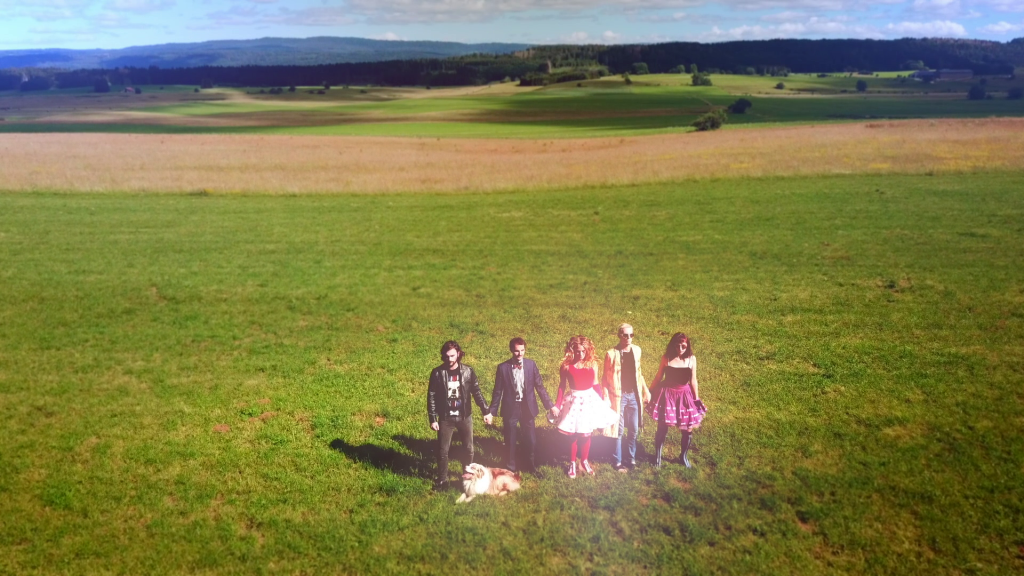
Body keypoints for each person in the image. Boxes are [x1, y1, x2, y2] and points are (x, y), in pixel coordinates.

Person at [484, 337, 556, 473]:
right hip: (511, 408)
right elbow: (497, 392)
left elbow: (540, 387)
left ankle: (530, 466)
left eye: (522, 350)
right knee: (510, 440)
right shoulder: (503, 368)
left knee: (531, 440)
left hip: (527, 407)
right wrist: (491, 412)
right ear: (511, 350)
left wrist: (550, 405)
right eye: (517, 351)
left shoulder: (531, 365)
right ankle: (510, 469)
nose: (520, 354)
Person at [552, 335, 619, 478]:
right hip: (574, 401)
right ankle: (572, 462)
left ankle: (584, 461)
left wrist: (601, 402)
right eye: (577, 351)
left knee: (587, 433)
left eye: (583, 351)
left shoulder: (592, 364)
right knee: (574, 434)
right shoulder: (566, 366)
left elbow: (595, 384)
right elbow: (562, 386)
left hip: (589, 400)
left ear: (587, 350)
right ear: (572, 350)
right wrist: (557, 404)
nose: (581, 354)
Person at [427, 340, 489, 490]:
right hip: (445, 418)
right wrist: (433, 418)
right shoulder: (437, 373)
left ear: (459, 354)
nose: (450, 359)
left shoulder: (468, 371)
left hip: (464, 417)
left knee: (469, 449)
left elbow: (476, 392)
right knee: (443, 451)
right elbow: (431, 396)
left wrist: (486, 411)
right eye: (447, 356)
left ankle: (466, 479)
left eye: (453, 356)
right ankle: (442, 480)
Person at [646, 332, 707, 468]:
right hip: (666, 395)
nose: (680, 349)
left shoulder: (691, 359)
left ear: (687, 346)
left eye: (683, 346)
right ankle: (658, 456)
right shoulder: (666, 358)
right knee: (662, 426)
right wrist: (649, 391)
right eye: (677, 345)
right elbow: (658, 376)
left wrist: (696, 398)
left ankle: (683, 457)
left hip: (684, 395)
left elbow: (693, 380)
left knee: (688, 428)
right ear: (672, 345)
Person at [603, 323, 651, 472]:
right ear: (619, 335)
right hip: (619, 396)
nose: (629, 338)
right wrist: (606, 395)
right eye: (625, 335)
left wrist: (646, 390)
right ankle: (617, 461)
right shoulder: (611, 354)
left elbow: (639, 373)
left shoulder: (637, 350)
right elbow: (604, 377)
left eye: (631, 335)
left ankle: (631, 458)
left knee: (634, 429)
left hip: (634, 396)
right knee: (618, 430)